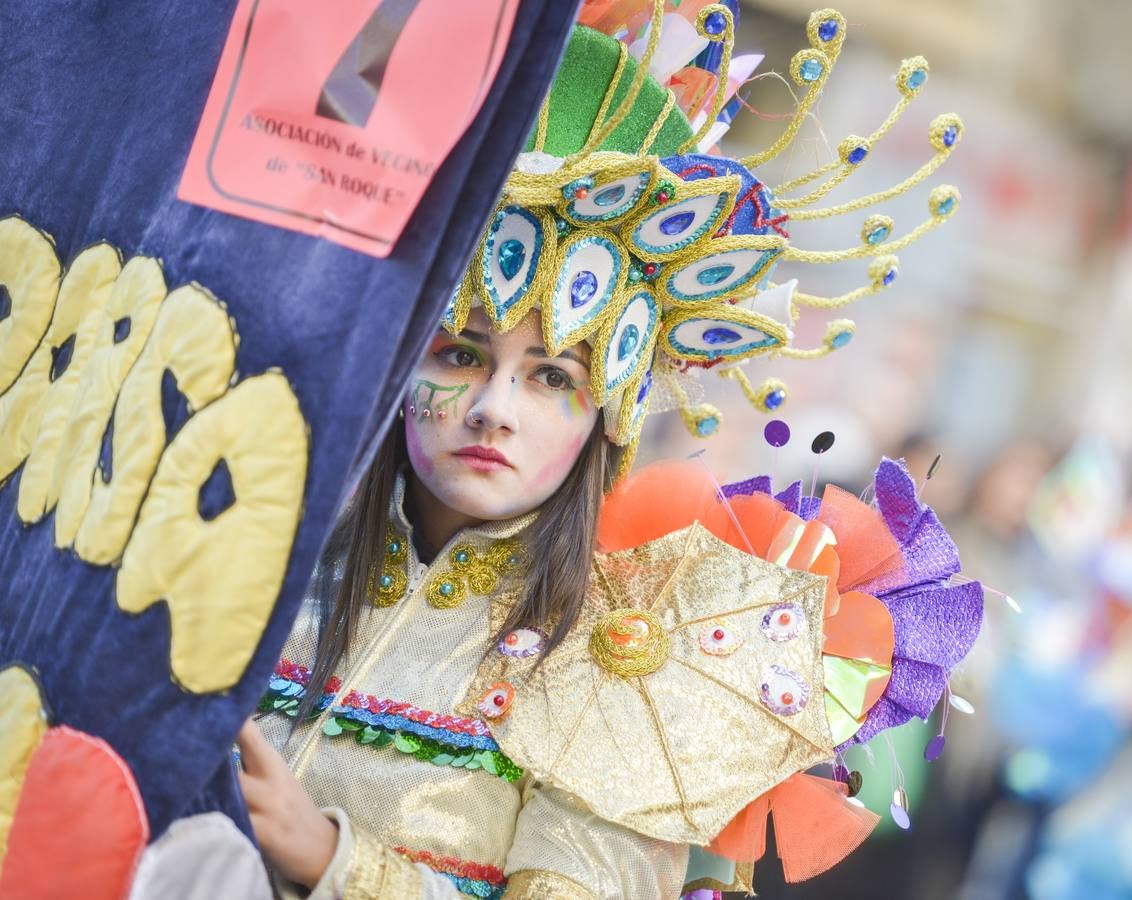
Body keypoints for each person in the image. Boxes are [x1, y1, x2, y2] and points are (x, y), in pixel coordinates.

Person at [236, 4, 976, 897]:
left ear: (609, 411)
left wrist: (331, 860)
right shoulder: (266, 552)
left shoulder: (632, 651)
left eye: (551, 376)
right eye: (462, 355)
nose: (492, 409)